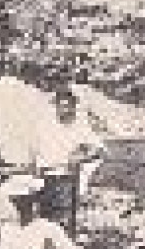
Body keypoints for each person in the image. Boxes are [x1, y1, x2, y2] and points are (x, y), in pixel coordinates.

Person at [26, 86, 105, 234]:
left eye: (67, 106)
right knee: (44, 216)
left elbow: (99, 149)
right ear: (55, 106)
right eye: (60, 106)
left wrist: (81, 157)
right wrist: (33, 165)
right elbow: (33, 146)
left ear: (73, 107)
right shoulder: (45, 124)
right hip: (46, 176)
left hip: (67, 177)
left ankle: (67, 242)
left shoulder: (80, 126)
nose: (63, 110)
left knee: (64, 216)